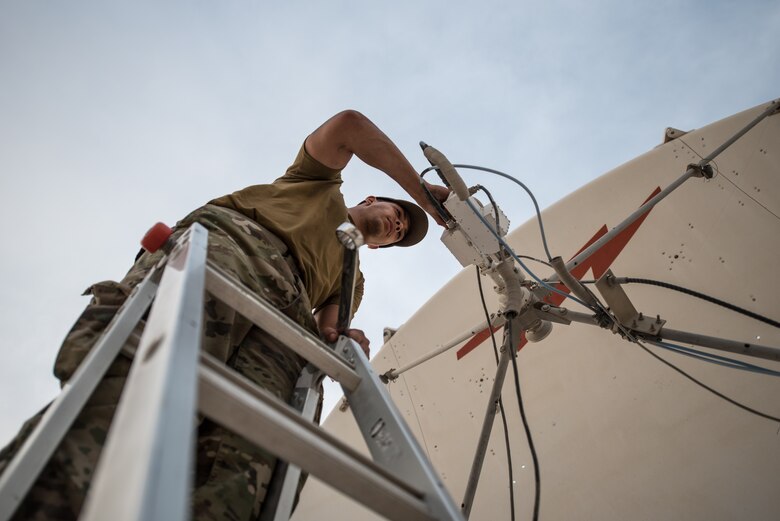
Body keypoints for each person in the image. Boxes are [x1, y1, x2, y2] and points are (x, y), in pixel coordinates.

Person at [0, 110, 450, 520]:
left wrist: (344, 337)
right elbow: (349, 125)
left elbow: (327, 329)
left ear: (381, 247)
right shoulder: (317, 184)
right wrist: (422, 194)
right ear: (371, 200)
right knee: (134, 388)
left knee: (247, 463)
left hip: (284, 321)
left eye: (400, 233)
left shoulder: (353, 279)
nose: (397, 225)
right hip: (232, 249)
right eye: (398, 213)